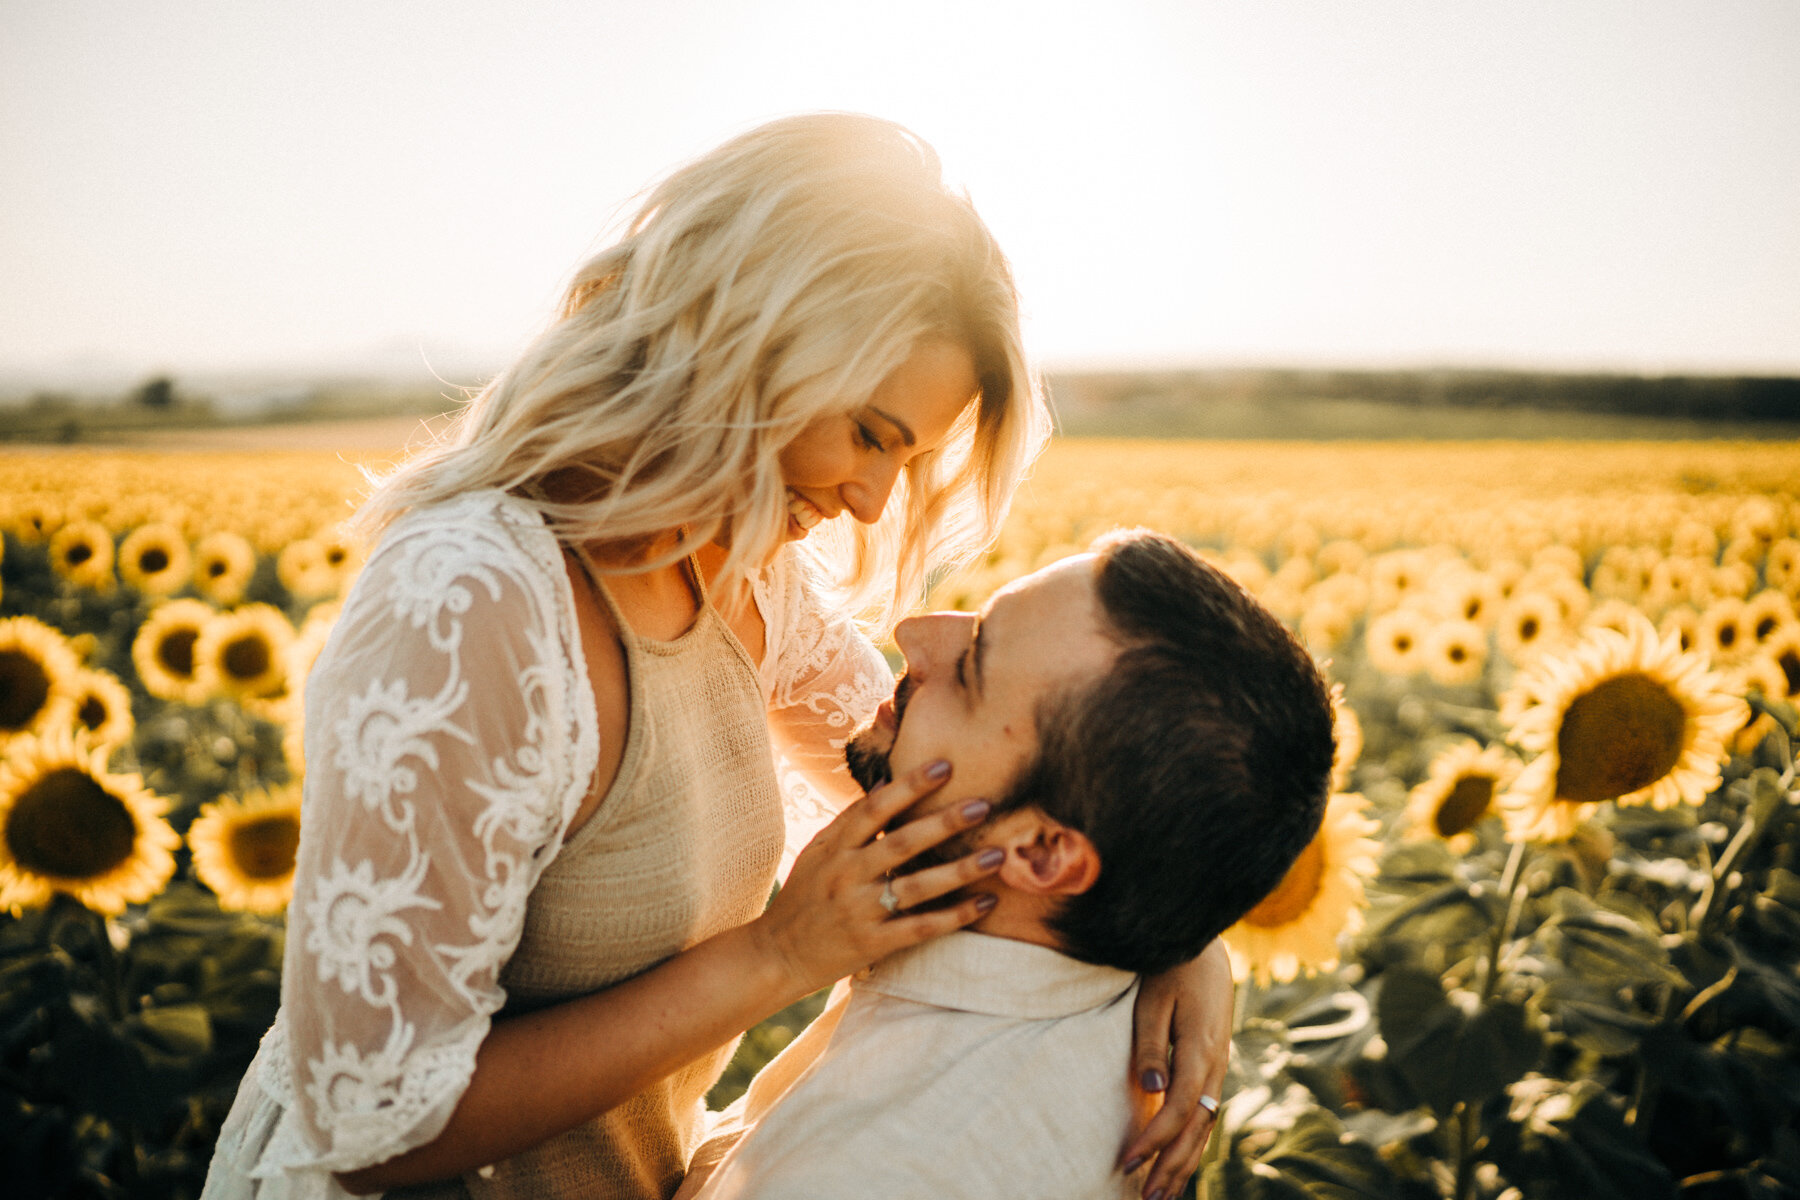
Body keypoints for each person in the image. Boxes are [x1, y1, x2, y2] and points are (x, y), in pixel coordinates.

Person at [202, 115, 1234, 1200]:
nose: (874, 500)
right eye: (873, 433)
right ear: (742, 344)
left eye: (911, 457)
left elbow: (975, 807)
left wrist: (1176, 934)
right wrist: (778, 957)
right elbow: (368, 1122)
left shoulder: (743, 577)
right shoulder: (469, 606)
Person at [680, 531, 1336, 1200]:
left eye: (970, 670)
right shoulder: (1087, 964)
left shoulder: (863, 1175)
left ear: (1042, 854)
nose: (912, 631)